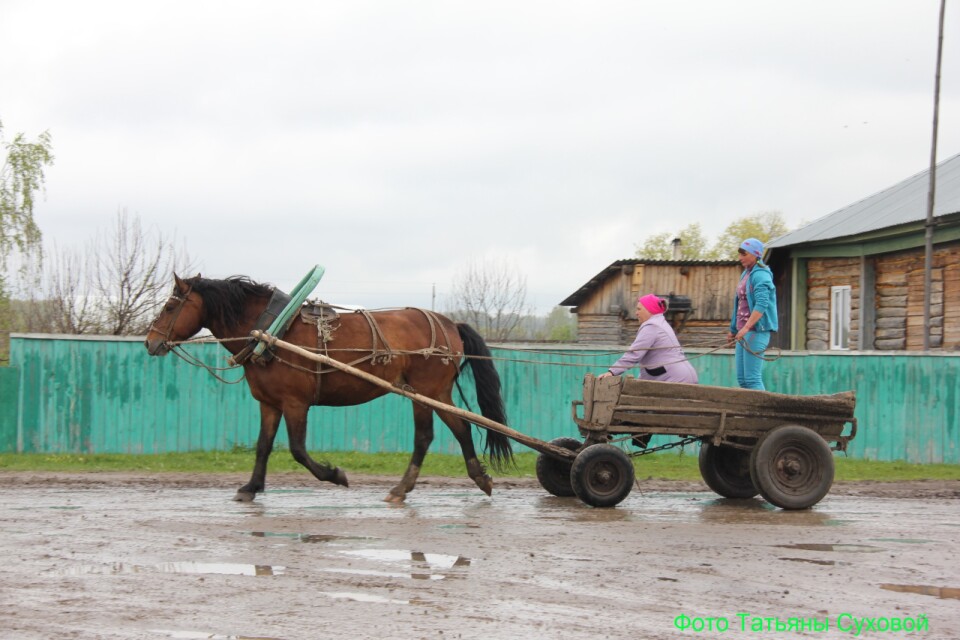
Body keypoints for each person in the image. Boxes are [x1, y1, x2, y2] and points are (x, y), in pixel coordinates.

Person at [599, 293, 699, 384]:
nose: (636, 313)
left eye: (639, 309)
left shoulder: (651, 326)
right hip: (680, 375)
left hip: (675, 379)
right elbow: (648, 367)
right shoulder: (660, 323)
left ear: (649, 309)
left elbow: (634, 353)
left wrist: (612, 372)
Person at [728, 237, 778, 390]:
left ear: (755, 254)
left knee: (752, 379)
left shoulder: (761, 275)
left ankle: (761, 413)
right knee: (743, 380)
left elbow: (761, 304)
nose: (740, 258)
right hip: (743, 331)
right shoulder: (746, 274)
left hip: (756, 331)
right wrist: (733, 330)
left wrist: (747, 327)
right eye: (740, 254)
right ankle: (747, 413)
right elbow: (740, 304)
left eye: (744, 254)